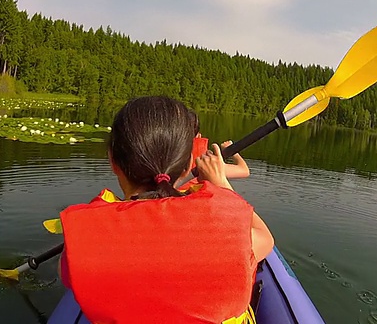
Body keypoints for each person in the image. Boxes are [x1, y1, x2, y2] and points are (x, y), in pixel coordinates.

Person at [57, 96, 274, 323]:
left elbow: (65, 272)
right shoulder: (229, 230)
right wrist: (221, 186)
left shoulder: (87, 234)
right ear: (188, 163)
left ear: (113, 160)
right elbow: (265, 239)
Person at [188, 109, 250, 179]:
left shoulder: (173, 158)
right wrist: (233, 151)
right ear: (199, 136)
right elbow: (244, 171)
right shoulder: (206, 164)